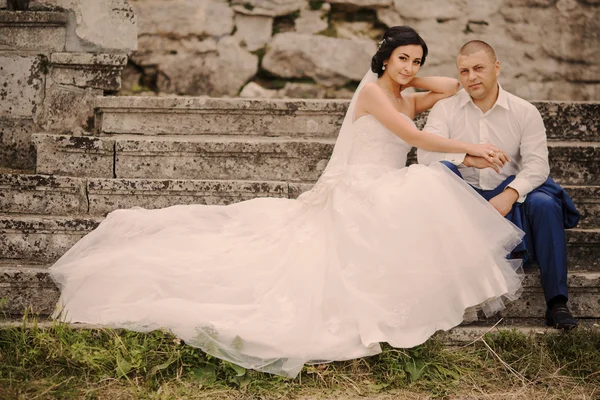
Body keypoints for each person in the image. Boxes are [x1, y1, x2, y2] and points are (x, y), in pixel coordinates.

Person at [50, 27, 524, 378]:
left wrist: (413, 79)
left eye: (417, 61)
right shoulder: (375, 95)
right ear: (383, 60)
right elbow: (412, 136)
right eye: (402, 59)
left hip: (385, 185)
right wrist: (470, 148)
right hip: (359, 185)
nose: (411, 69)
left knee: (418, 190)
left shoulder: (403, 94)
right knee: (423, 187)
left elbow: (453, 88)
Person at [417, 40, 580, 330]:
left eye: (478, 68)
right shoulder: (446, 109)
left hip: (512, 204)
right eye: (464, 71)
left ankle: (557, 303)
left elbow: (538, 166)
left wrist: (510, 194)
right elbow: (426, 154)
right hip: (462, 200)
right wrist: (467, 158)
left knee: (544, 202)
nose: (472, 77)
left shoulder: (524, 111)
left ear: (496, 67)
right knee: (438, 172)